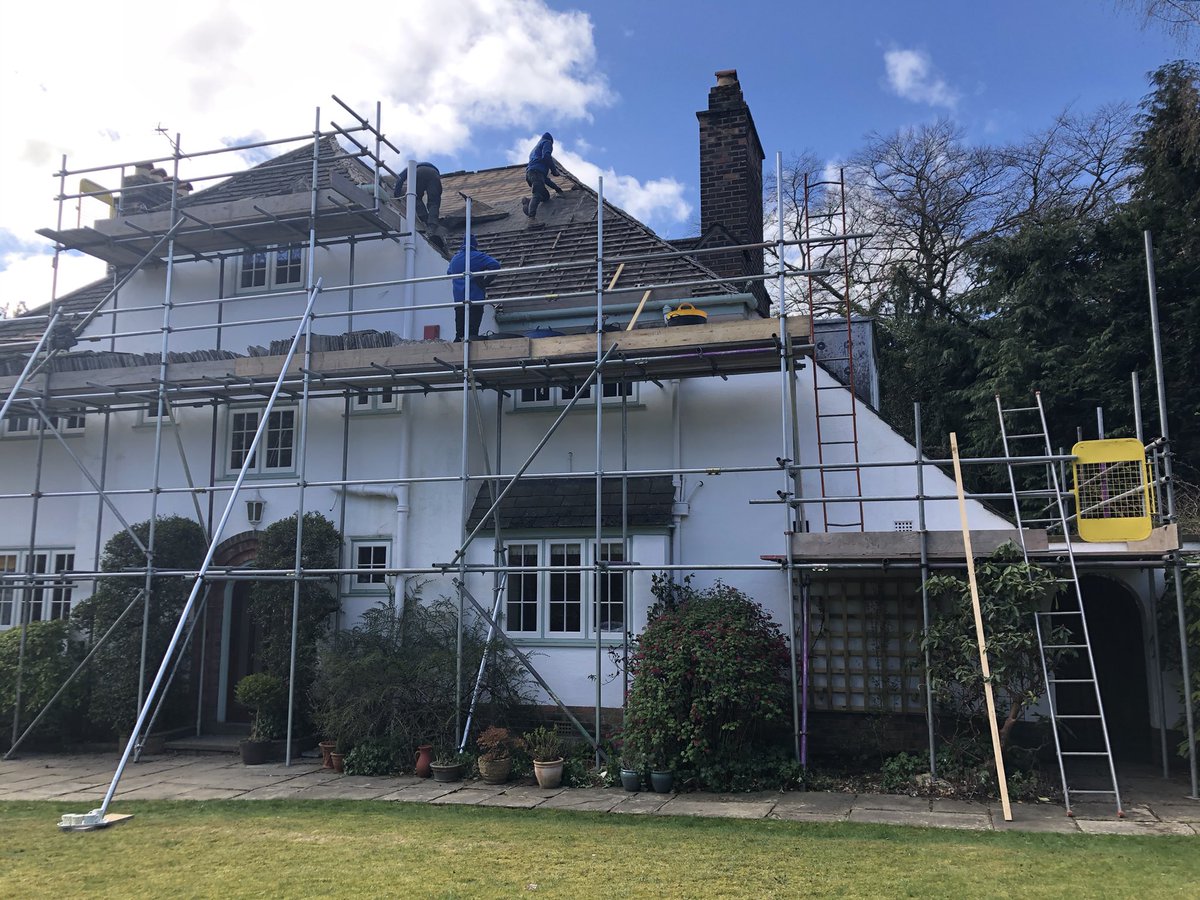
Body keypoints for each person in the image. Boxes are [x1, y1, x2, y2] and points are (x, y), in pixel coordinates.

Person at [447, 235, 501, 342]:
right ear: (475, 245)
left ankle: (458, 346)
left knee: (460, 332)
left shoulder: (455, 259)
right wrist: (485, 281)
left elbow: (449, 272)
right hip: (475, 298)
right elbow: (496, 265)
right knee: (472, 332)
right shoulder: (478, 256)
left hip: (459, 300)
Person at [522, 132, 566, 219]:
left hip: (531, 174)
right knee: (537, 194)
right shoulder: (547, 142)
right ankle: (531, 218)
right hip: (536, 173)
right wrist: (554, 170)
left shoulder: (535, 150)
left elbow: (545, 179)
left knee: (545, 197)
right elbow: (546, 155)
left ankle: (528, 201)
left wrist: (557, 188)